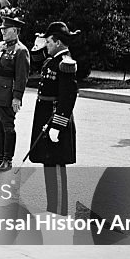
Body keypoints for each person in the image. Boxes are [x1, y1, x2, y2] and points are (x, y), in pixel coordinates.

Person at [29, 22, 79, 215]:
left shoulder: (65, 62)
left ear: (58, 42)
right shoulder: (53, 58)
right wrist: (38, 43)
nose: (46, 45)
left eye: (49, 41)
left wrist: (58, 125)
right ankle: (53, 209)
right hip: (46, 118)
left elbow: (68, 97)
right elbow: (35, 58)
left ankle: (59, 212)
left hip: (55, 120)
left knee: (56, 165)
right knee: (48, 163)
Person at [0, 17, 30, 171]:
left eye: (5, 30)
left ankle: (8, 159)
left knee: (7, 126)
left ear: (15, 31)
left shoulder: (21, 50)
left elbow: (21, 77)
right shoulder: (1, 46)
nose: (2, 32)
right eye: (2, 29)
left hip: (6, 94)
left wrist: (17, 97)